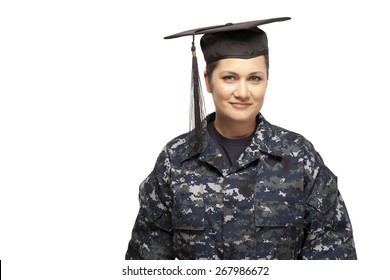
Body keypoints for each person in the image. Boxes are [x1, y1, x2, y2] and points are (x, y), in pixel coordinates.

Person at [125, 17, 357, 260]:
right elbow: (146, 262)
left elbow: (335, 257)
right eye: (229, 78)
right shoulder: (176, 159)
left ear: (267, 80)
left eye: (255, 78)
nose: (243, 92)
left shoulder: (298, 156)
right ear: (208, 80)